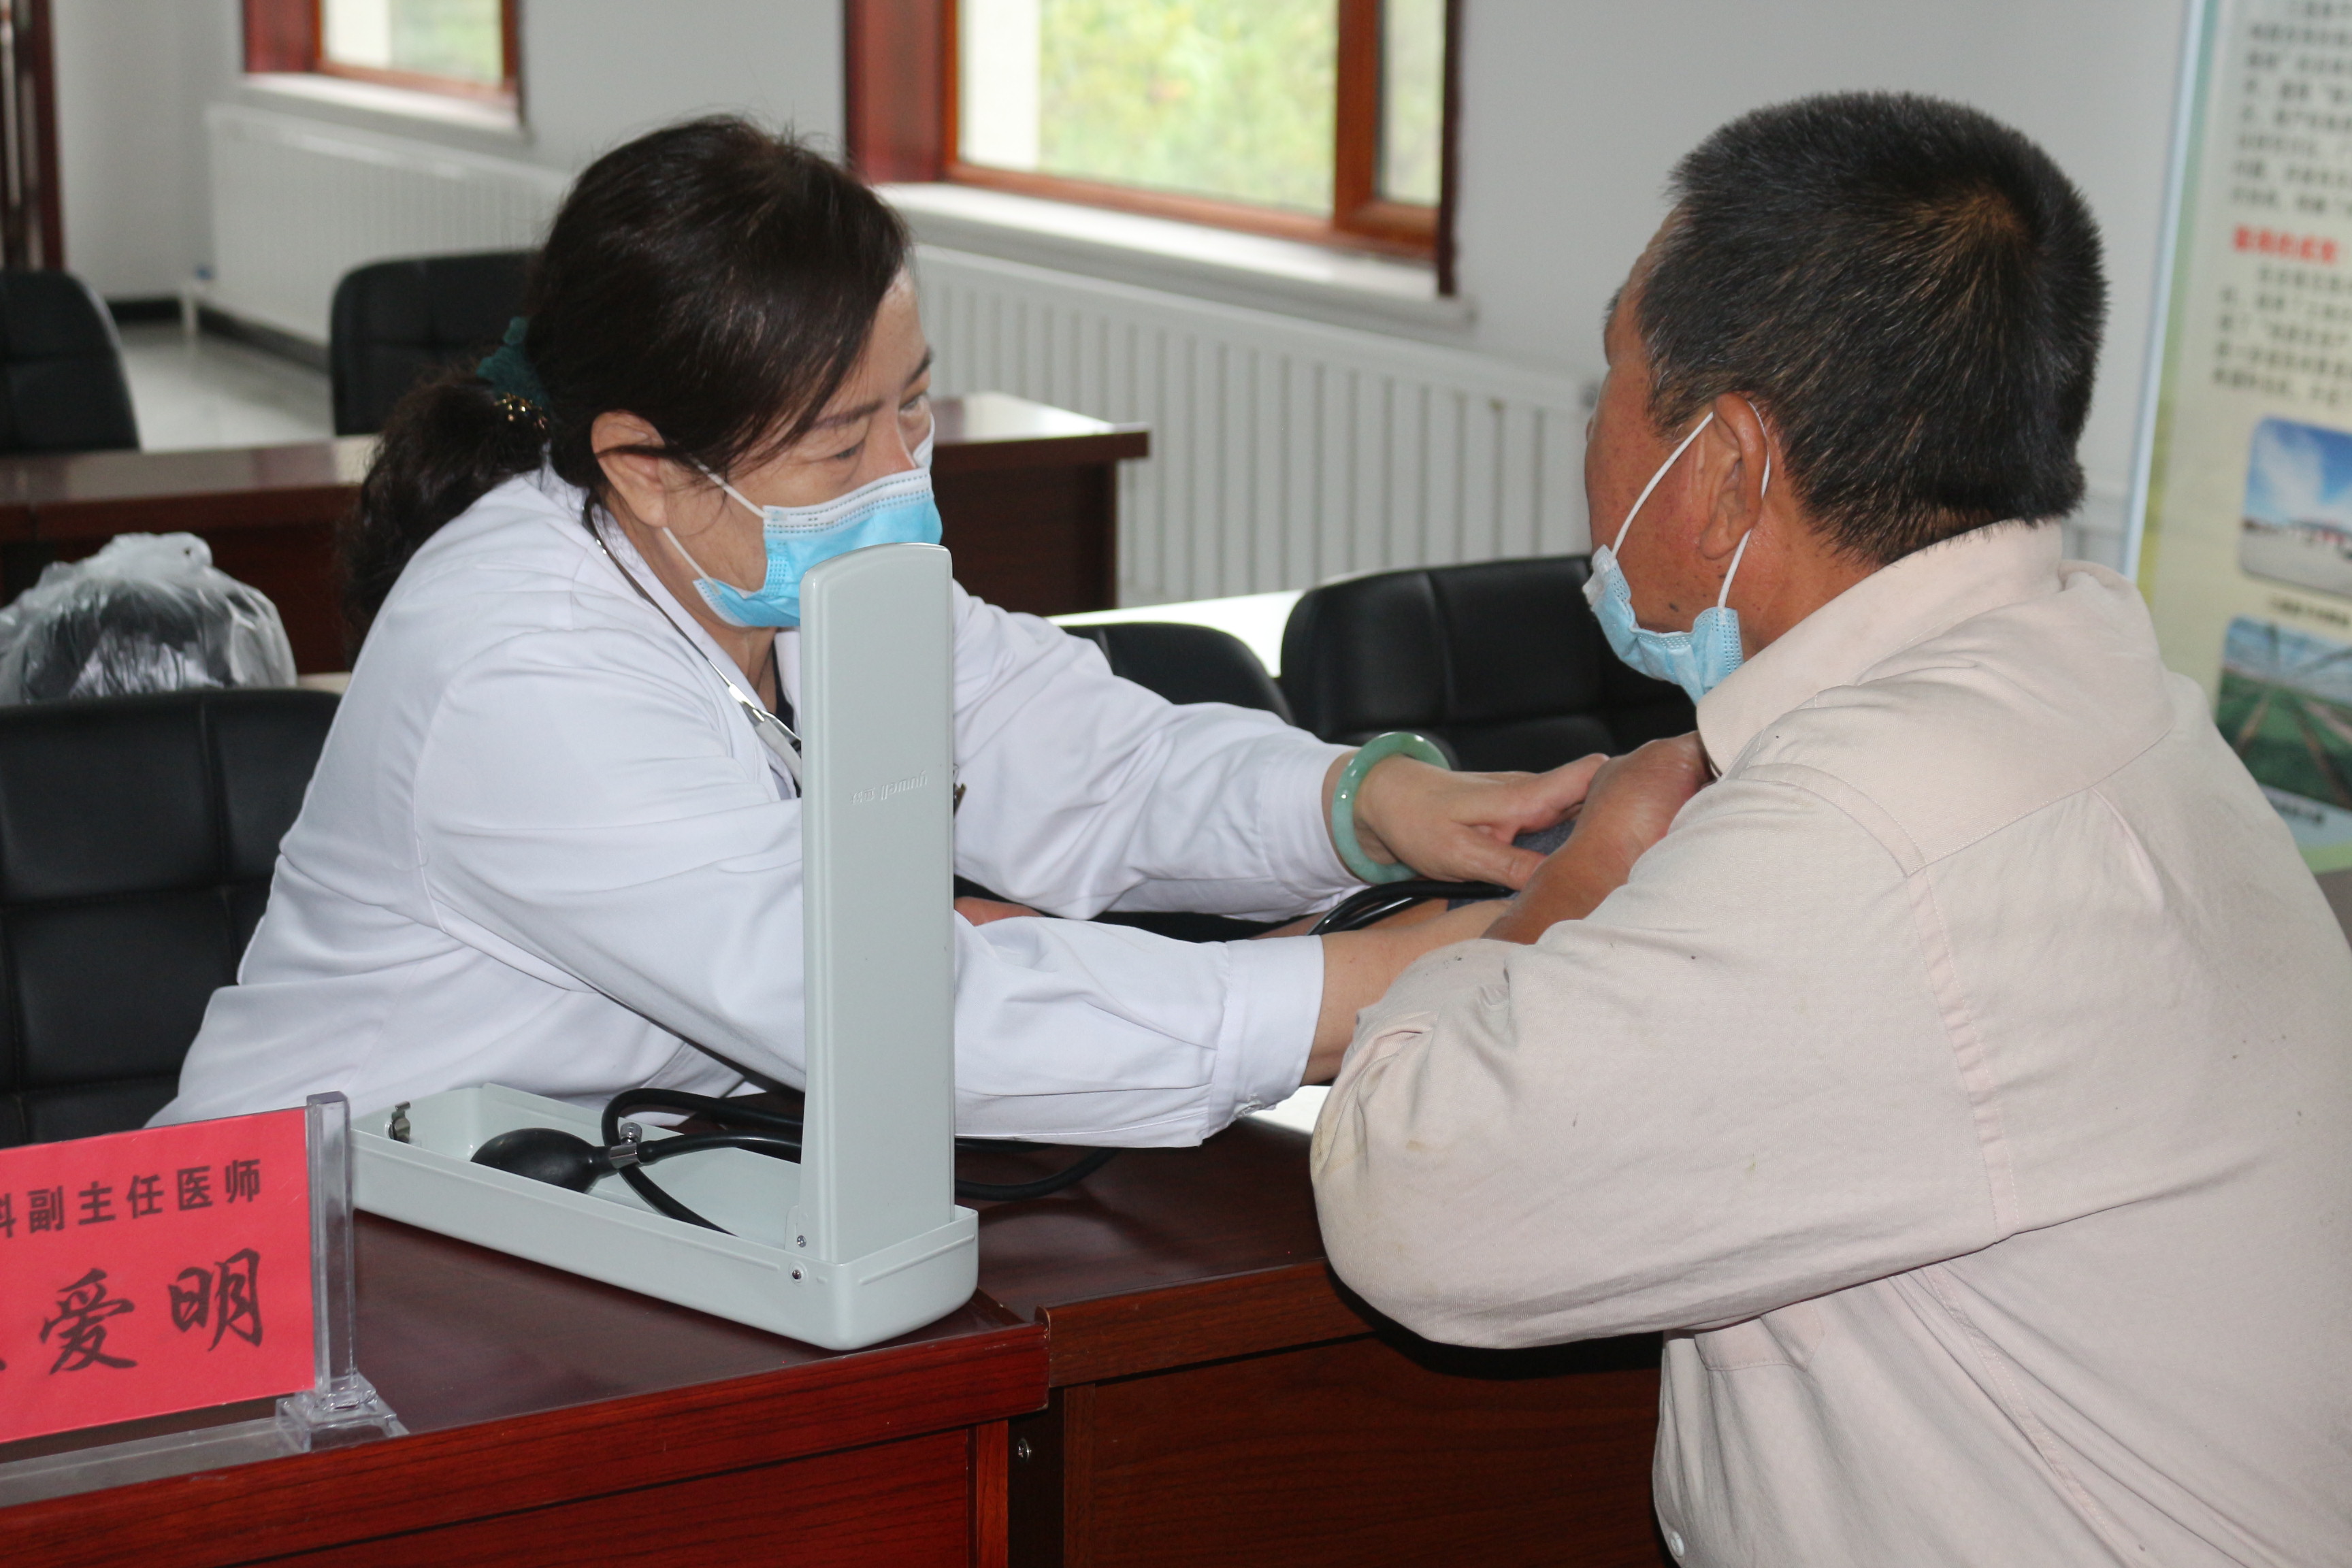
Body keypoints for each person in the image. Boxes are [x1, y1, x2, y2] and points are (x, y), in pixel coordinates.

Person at [1312, 93, 2352, 1565]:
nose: (1596, 438)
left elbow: (1415, 1198)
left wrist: (1575, 891)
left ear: (1729, 466)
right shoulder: (2098, 682)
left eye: (1612, 381)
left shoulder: (1874, 827)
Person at [157, 118, 1582, 1142]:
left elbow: (1086, 757)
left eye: (913, 406)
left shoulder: (772, 569)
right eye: (841, 445)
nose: (902, 473)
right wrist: (1356, 989)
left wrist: (1366, 806)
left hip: (580, 1190)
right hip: (328, 1244)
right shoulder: (515, 670)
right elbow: (893, 1021)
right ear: (644, 464)